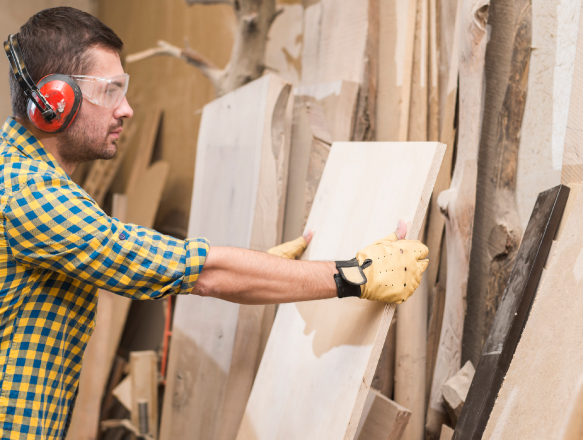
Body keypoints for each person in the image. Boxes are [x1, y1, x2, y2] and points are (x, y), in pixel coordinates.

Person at [0, 7, 429, 440]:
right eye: (111, 91)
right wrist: (355, 275)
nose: (126, 109)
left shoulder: (24, 177)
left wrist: (261, 268)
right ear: (54, 102)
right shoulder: (29, 194)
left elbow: (172, 268)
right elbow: (200, 272)